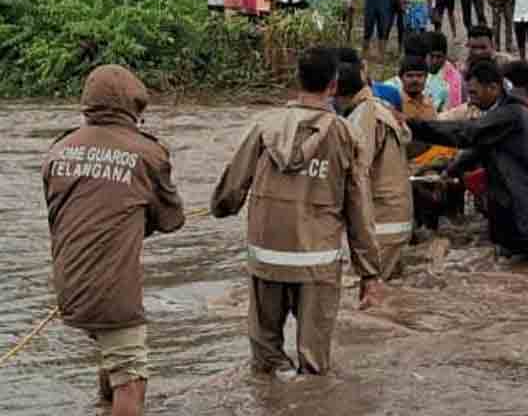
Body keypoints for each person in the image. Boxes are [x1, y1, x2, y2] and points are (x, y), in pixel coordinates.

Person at [211, 47, 386, 376]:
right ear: (333, 85)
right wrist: (370, 273)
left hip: (267, 259)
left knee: (265, 361)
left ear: (297, 79)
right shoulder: (345, 134)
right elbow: (359, 209)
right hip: (317, 263)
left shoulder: (266, 126)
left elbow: (230, 191)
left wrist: (221, 207)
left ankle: (270, 398)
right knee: (315, 365)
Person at [42, 65, 184, 415]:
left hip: (68, 283)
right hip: (113, 289)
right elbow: (172, 220)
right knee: (131, 379)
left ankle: (104, 406)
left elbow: (60, 214)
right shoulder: (148, 153)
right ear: (134, 109)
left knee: (112, 352)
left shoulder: (58, 150)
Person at [406, 58, 528, 272]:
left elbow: (467, 134)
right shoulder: (503, 113)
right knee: (519, 274)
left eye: (474, 93)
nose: (470, 100)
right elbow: (478, 148)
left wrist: (412, 127)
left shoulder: (511, 114)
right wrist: (448, 172)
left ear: (494, 88)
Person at [335, 61, 413, 280]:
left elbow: (357, 170)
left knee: (364, 289)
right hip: (394, 218)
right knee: (389, 287)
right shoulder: (381, 106)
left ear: (336, 93)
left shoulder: (365, 115)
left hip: (381, 222)